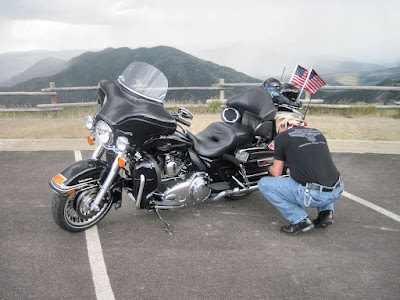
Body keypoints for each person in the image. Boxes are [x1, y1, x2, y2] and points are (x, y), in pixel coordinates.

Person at [258, 114, 344, 236]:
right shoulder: (316, 133)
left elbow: (276, 173)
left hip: (313, 196)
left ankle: (300, 220)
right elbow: (312, 164)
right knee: (322, 174)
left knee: (264, 184)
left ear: (281, 126)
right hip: (337, 190)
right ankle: (326, 214)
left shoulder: (282, 137)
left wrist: (268, 166)